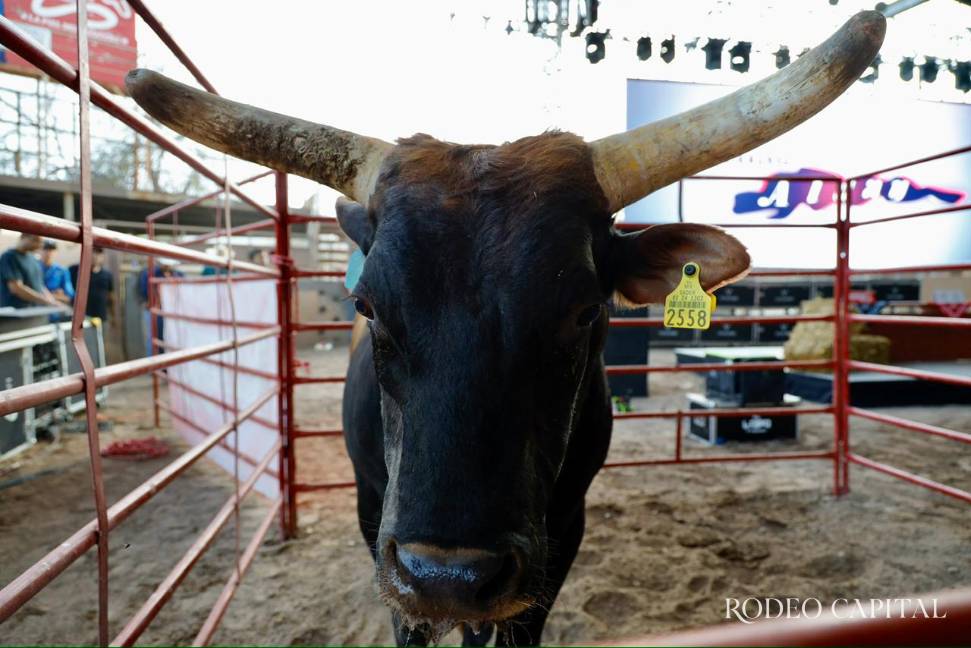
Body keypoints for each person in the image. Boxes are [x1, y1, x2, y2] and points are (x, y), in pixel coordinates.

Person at [0, 233, 61, 309]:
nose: (39, 245)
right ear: (24, 236)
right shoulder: (9, 256)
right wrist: (45, 301)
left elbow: (39, 285)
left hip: (33, 310)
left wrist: (51, 300)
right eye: (35, 240)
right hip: (16, 312)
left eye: (41, 242)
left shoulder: (33, 258)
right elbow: (16, 288)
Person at [69, 247, 114, 321]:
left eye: (98, 252)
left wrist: (113, 317)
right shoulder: (74, 271)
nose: (95, 255)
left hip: (101, 319)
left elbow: (111, 297)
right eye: (93, 251)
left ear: (102, 256)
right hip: (79, 320)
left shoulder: (107, 275)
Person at [40, 240, 75, 305]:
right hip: (32, 308)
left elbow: (69, 297)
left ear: (56, 252)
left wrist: (51, 296)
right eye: (45, 249)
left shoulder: (62, 271)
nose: (48, 253)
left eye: (51, 250)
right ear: (40, 250)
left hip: (52, 310)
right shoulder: (33, 266)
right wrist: (54, 294)